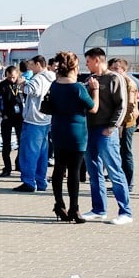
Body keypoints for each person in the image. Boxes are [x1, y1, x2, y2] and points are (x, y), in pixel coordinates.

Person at [82, 47, 133, 225]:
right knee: (93, 171)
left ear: (97, 60)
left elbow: (122, 105)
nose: (86, 64)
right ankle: (98, 209)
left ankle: (125, 211)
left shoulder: (114, 78)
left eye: (88, 61)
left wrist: (112, 127)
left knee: (114, 170)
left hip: (106, 131)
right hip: (90, 130)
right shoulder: (91, 79)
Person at [48, 51, 99, 223]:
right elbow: (93, 108)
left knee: (58, 169)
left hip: (58, 131)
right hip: (77, 133)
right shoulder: (78, 87)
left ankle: (59, 204)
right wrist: (95, 91)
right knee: (74, 172)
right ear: (74, 66)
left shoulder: (54, 85)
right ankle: (74, 209)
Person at [12, 55, 55, 192]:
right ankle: (41, 181)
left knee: (29, 152)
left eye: (31, 64)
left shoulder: (38, 78)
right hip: (46, 119)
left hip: (33, 119)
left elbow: (31, 90)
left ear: (38, 64)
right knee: (42, 153)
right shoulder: (52, 77)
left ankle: (29, 181)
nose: (29, 67)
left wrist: (22, 83)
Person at [108, 58, 139, 191]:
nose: (113, 71)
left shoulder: (128, 83)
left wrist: (121, 125)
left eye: (116, 68)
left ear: (124, 69)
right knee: (119, 153)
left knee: (126, 153)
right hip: (120, 122)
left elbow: (129, 106)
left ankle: (128, 183)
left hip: (127, 123)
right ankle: (121, 182)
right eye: (112, 68)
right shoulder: (118, 81)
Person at [0, 66, 24, 177]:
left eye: (13, 77)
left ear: (17, 74)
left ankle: (19, 163)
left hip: (19, 117)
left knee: (21, 143)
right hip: (7, 117)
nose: (12, 79)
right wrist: (2, 115)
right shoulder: (2, 85)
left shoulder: (22, 84)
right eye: (9, 77)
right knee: (6, 145)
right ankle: (7, 167)